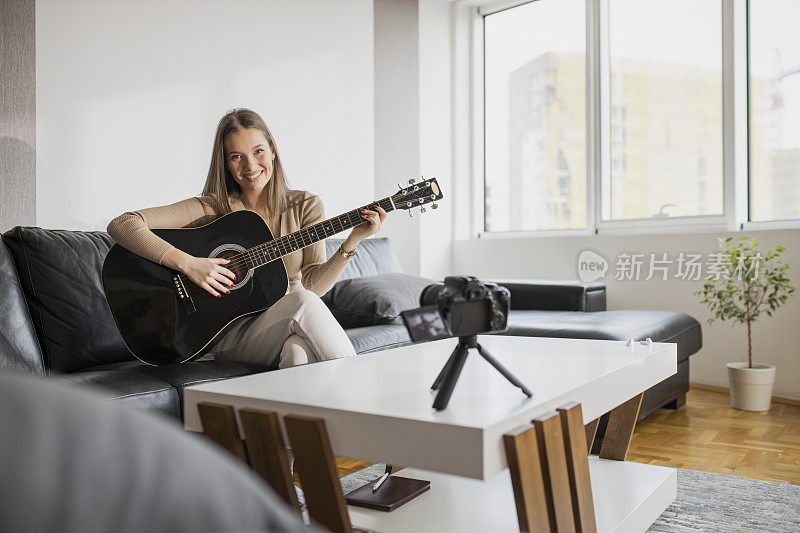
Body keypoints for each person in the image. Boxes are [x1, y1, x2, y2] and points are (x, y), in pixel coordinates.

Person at [107, 108, 387, 369]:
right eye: (236, 156)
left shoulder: (305, 205)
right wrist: (189, 264)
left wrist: (353, 240)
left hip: (287, 321)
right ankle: (361, 393)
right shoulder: (213, 207)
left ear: (273, 151)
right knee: (303, 302)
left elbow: (313, 284)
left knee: (297, 355)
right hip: (231, 336)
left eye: (258, 151)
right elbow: (124, 224)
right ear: (226, 163)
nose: (250, 165)